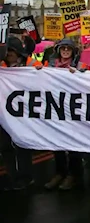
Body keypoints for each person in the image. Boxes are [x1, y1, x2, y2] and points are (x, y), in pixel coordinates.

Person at [42, 39, 87, 191]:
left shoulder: (79, 65)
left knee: (73, 143)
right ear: (59, 51)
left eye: (69, 49)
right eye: (63, 49)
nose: (66, 51)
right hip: (56, 107)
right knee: (57, 142)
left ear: (73, 51)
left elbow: (88, 81)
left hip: (74, 109)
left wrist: (79, 75)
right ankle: (60, 173)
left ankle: (74, 175)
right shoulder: (51, 65)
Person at [0, 36, 37, 190]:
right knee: (5, 146)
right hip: (4, 114)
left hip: (23, 113)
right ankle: (12, 176)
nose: (9, 53)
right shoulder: (2, 66)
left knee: (22, 145)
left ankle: (25, 177)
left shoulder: (31, 64)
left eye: (11, 50)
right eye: (6, 51)